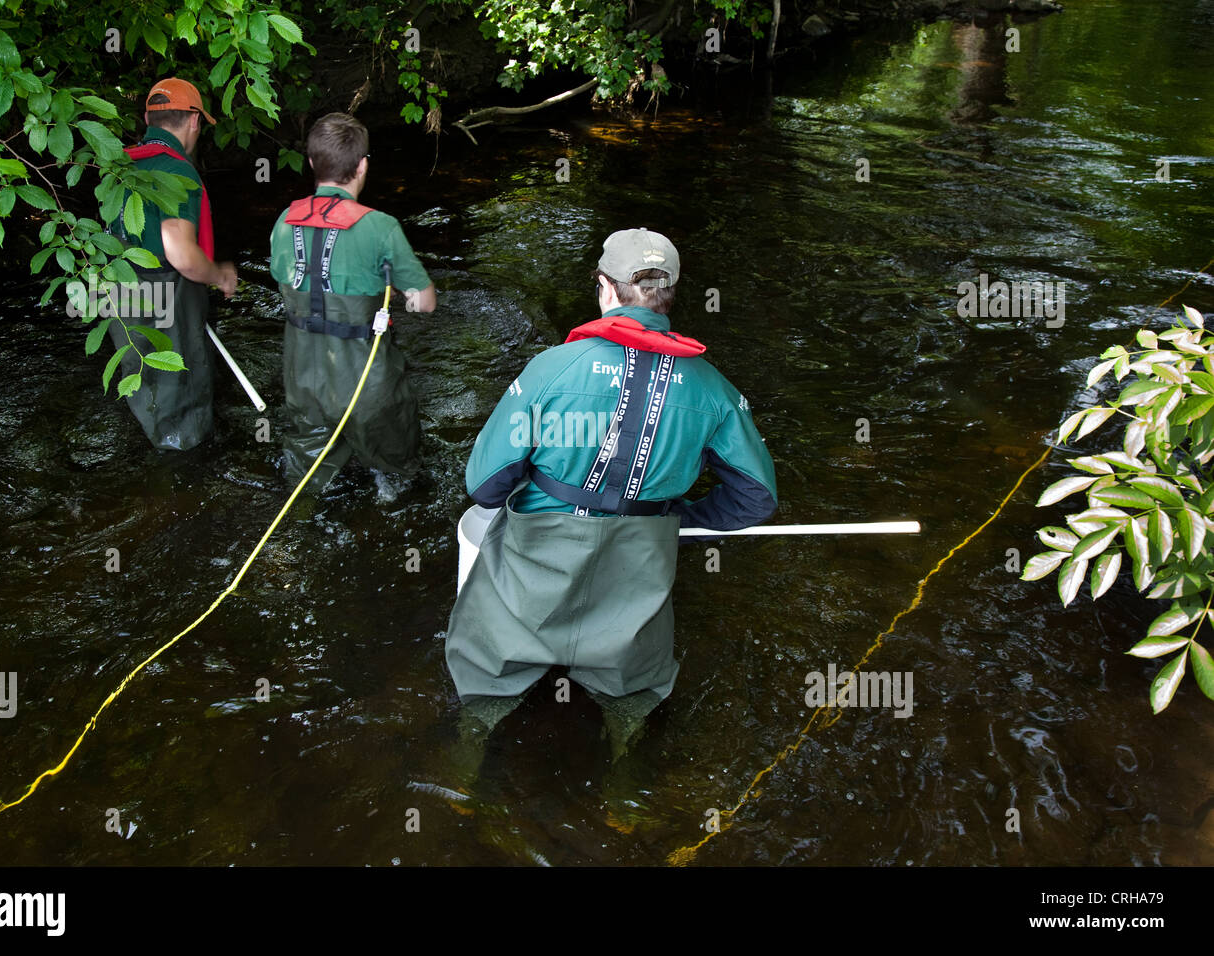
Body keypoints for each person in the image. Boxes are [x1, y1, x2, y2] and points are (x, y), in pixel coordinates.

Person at [445, 228, 778, 758]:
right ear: (668, 295)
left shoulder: (552, 370)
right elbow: (754, 499)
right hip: (637, 572)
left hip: (534, 575)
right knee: (635, 694)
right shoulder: (714, 389)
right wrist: (679, 520)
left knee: (484, 678)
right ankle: (626, 783)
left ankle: (467, 757)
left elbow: (485, 486)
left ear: (605, 288)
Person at [268, 112, 436, 495]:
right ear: (362, 166)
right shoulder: (380, 227)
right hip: (367, 388)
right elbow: (425, 303)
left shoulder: (283, 221)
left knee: (304, 485)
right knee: (398, 476)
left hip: (303, 381)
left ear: (311, 163)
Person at [107, 77, 238, 451]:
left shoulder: (119, 166)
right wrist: (220, 276)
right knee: (181, 395)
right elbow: (180, 253)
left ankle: (156, 456)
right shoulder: (177, 172)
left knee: (145, 380)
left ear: (148, 117)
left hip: (120, 291)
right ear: (194, 120)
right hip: (166, 293)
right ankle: (184, 470)